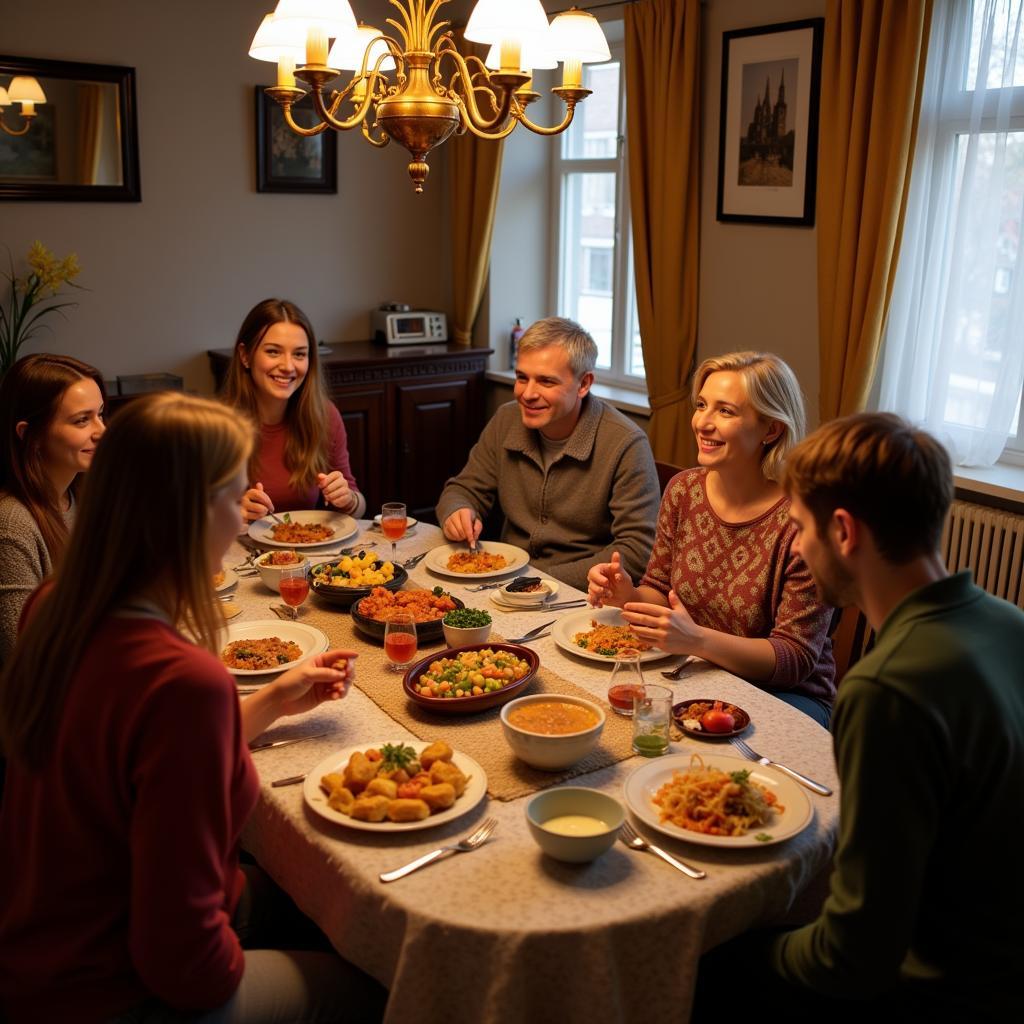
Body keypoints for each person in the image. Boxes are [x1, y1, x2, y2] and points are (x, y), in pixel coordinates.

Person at [0, 393, 386, 1023]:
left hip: (37, 944)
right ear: (186, 514)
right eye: (235, 500)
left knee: (331, 896)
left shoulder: (56, 607)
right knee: (380, 981)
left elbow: (138, 753)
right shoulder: (185, 682)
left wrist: (270, 700)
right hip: (108, 988)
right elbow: (180, 959)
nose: (243, 523)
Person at [755, 412, 1023, 1018]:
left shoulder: (887, 688)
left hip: (952, 986)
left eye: (799, 529)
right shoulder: (1009, 622)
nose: (796, 546)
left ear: (844, 531)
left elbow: (855, 954)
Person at [588, 351, 835, 725]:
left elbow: (795, 659)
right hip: (698, 676)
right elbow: (659, 588)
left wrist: (697, 641)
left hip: (786, 700)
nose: (702, 422)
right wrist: (628, 594)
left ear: (771, 429)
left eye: (726, 411)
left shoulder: (803, 519)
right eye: (702, 405)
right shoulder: (684, 490)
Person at [435, 316, 659, 590]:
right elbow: (462, 488)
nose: (527, 394)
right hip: (504, 582)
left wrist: (539, 582)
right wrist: (458, 510)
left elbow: (636, 550)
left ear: (584, 384)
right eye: (521, 378)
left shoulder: (626, 443)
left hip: (581, 596)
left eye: (546, 382)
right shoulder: (506, 419)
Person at [0, 352, 105, 664]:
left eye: (101, 413)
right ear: (29, 435)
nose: (102, 430)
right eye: (82, 420)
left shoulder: (76, 495)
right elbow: (26, 655)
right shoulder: (12, 524)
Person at [221, 298, 365, 522]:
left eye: (299, 354)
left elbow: (358, 503)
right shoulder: (216, 425)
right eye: (273, 352)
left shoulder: (325, 415)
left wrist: (348, 499)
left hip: (310, 552)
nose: (288, 366)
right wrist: (235, 514)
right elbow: (190, 519)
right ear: (245, 355)